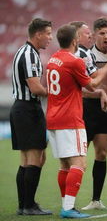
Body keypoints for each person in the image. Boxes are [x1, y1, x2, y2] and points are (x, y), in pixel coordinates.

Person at [46, 24, 107, 218]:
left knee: (65, 165)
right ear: (75, 41)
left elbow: (70, 88)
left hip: (53, 118)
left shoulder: (53, 59)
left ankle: (66, 205)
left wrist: (97, 91)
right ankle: (68, 208)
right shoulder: (74, 61)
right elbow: (93, 84)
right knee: (80, 163)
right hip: (70, 119)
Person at [10, 18, 53, 215]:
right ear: (38, 34)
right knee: (35, 158)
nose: (50, 38)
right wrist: (56, 91)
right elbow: (35, 88)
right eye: (48, 33)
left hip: (21, 109)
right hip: (28, 109)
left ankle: (23, 205)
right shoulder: (30, 55)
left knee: (27, 159)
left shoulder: (23, 51)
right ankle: (29, 206)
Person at [80, 17, 107, 210]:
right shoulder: (87, 55)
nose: (106, 36)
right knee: (80, 155)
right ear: (94, 35)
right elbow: (93, 81)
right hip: (89, 106)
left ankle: (96, 200)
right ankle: (69, 200)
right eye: (102, 33)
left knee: (102, 153)